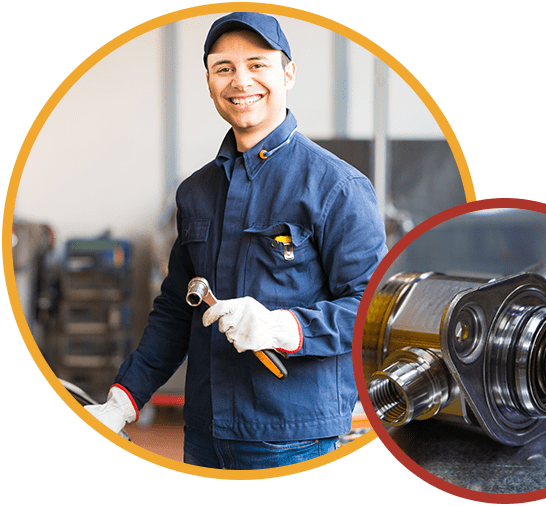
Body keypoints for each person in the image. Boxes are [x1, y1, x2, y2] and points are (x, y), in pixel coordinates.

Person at [85, 12, 387, 470]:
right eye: (223, 67)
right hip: (205, 434)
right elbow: (174, 312)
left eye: (257, 64)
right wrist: (122, 401)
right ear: (208, 82)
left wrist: (284, 327)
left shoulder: (337, 187)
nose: (240, 80)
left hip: (292, 437)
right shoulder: (196, 193)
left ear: (287, 73)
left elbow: (372, 308)